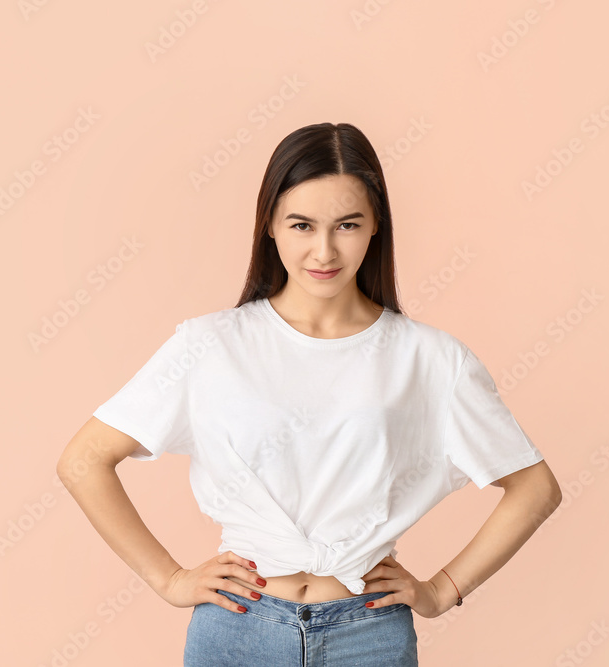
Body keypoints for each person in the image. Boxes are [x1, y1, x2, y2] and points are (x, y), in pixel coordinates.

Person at [56, 122, 562, 666]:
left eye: (347, 224)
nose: (324, 250)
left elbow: (536, 488)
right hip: (237, 629)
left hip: (368, 635)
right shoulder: (210, 345)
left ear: (375, 228)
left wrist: (441, 590)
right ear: (270, 225)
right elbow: (83, 461)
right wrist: (170, 578)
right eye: (302, 224)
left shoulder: (430, 358)